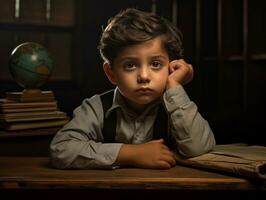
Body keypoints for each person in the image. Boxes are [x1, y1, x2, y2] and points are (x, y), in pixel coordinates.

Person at [50, 8, 216, 169]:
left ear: (171, 68)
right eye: (130, 65)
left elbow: (198, 148)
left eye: (156, 64)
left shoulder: (175, 106)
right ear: (111, 73)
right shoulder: (96, 108)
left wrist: (174, 85)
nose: (144, 76)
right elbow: (61, 150)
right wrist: (130, 154)